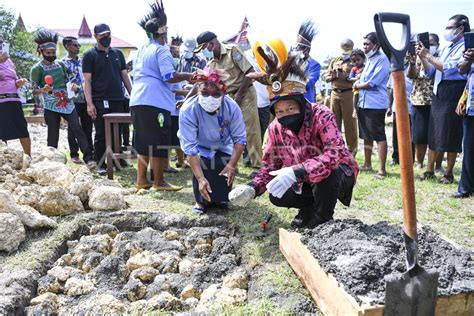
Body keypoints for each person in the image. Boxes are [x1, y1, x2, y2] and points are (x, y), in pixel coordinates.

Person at [230, 37, 358, 228]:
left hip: (337, 173)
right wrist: (253, 187)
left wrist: (296, 170)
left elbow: (335, 155)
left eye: (290, 109)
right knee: (276, 193)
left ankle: (322, 218)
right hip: (302, 178)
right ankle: (308, 208)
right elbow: (270, 166)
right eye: (279, 111)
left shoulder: (321, 114)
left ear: (300, 102)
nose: (285, 115)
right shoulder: (275, 128)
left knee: (327, 175)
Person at [129, 1, 195, 190]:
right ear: (163, 33)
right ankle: (158, 181)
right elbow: (169, 76)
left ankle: (141, 180)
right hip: (155, 102)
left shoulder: (142, 49)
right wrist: (189, 76)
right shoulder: (161, 50)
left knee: (142, 139)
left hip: (137, 100)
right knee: (158, 140)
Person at [178, 68, 246, 213]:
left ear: (224, 94)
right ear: (197, 91)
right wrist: (201, 178)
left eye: (216, 94)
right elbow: (190, 149)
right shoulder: (188, 109)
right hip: (200, 146)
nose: (210, 98)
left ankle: (221, 200)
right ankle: (200, 201)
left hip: (223, 145)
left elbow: (240, 139)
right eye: (205, 93)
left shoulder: (232, 107)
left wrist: (232, 165)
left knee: (223, 165)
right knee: (204, 166)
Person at [194, 31, 262, 170]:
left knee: (251, 130)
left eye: (204, 48)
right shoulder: (211, 63)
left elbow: (250, 72)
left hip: (245, 93)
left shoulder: (233, 51)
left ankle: (257, 166)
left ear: (212, 44)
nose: (204, 52)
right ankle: (231, 165)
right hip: (227, 98)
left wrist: (240, 94)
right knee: (227, 131)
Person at [416, 14, 469, 184]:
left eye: (449, 27)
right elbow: (431, 71)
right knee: (434, 132)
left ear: (460, 29)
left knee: (451, 133)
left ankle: (448, 173)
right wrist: (423, 57)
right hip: (439, 91)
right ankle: (429, 169)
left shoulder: (466, 47)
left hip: (454, 91)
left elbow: (448, 68)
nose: (447, 31)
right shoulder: (447, 47)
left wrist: (429, 56)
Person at [30, 29, 94, 167]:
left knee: (77, 128)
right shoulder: (36, 69)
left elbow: (68, 81)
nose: (51, 55)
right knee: (53, 134)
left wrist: (74, 87)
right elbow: (34, 91)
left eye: (53, 53)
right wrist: (43, 89)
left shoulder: (61, 65)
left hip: (67, 102)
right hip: (50, 104)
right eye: (48, 53)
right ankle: (52, 162)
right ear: (41, 52)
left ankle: (88, 158)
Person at [82, 23, 132, 174]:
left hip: (118, 98)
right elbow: (87, 81)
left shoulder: (118, 54)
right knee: (102, 133)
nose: (106, 38)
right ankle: (101, 163)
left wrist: (134, 96)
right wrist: (89, 103)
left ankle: (117, 160)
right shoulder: (90, 55)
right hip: (99, 99)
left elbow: (125, 76)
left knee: (118, 131)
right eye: (103, 35)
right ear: (96, 36)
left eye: (108, 34)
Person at [354, 32, 390, 179]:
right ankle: (367, 163)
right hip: (364, 102)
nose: (365, 47)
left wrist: (357, 84)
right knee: (366, 134)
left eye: (367, 44)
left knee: (378, 135)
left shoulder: (382, 60)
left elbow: (373, 83)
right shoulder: (369, 59)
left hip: (375, 104)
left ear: (376, 45)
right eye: (363, 44)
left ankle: (382, 170)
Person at [407, 33, 443, 169]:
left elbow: (431, 72)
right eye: (426, 43)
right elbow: (412, 75)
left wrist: (425, 57)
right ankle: (420, 162)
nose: (429, 45)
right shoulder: (416, 58)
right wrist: (412, 63)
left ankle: (437, 165)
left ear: (437, 45)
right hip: (419, 100)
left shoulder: (439, 59)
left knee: (437, 135)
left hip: (437, 102)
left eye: (432, 43)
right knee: (419, 135)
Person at [62, 36, 93, 164]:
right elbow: (62, 80)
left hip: (86, 99)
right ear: (67, 47)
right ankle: (74, 154)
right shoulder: (62, 63)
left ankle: (89, 153)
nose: (78, 47)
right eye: (75, 45)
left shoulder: (83, 61)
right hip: (72, 100)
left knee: (88, 127)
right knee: (73, 128)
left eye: (78, 45)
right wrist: (69, 85)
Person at [325, 39, 358, 155]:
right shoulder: (335, 60)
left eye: (347, 50)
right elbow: (326, 77)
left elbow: (359, 77)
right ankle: (336, 149)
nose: (345, 53)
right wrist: (332, 77)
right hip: (335, 93)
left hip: (348, 93)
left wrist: (347, 77)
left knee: (350, 124)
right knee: (334, 123)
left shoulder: (355, 61)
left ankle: (351, 151)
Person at [0, 35, 30, 155]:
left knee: (22, 128)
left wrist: (19, 82)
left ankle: (29, 157)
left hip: (13, 98)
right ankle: (3, 158)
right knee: (1, 130)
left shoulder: (9, 61)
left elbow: (14, 79)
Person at [452, 47, 474, 198]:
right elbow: (461, 70)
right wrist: (468, 59)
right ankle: (466, 187)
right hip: (471, 106)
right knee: (469, 148)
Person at [292, 21, 321, 103]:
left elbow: (308, 84)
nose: (297, 50)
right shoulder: (292, 62)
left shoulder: (315, 65)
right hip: (292, 101)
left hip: (306, 101)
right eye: (296, 47)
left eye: (299, 48)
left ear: (307, 49)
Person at [348, 48, 366, 117]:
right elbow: (350, 78)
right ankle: (355, 109)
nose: (356, 62)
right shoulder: (354, 69)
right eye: (354, 61)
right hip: (356, 86)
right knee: (355, 95)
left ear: (363, 59)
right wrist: (357, 78)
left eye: (358, 60)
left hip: (365, 86)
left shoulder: (366, 67)